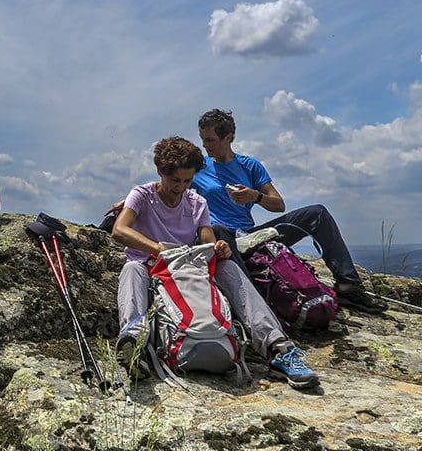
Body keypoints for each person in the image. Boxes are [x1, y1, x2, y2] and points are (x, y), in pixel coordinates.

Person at [113, 137, 319, 389]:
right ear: (160, 171)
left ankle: (278, 348)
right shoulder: (142, 195)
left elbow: (206, 238)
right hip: (150, 265)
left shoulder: (196, 201)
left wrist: (217, 248)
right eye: (174, 180)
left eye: (187, 181)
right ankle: (133, 342)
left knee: (228, 267)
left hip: (186, 267)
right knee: (132, 268)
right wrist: (157, 249)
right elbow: (120, 230)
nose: (180, 187)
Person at [193, 109, 386, 314]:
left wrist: (255, 196)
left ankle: (348, 286)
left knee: (317, 213)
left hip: (249, 236)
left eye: (211, 140)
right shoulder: (199, 168)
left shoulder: (249, 165)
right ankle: (254, 306)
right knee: (218, 228)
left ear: (229, 137)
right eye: (203, 140)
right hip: (219, 236)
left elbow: (278, 204)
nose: (206, 146)